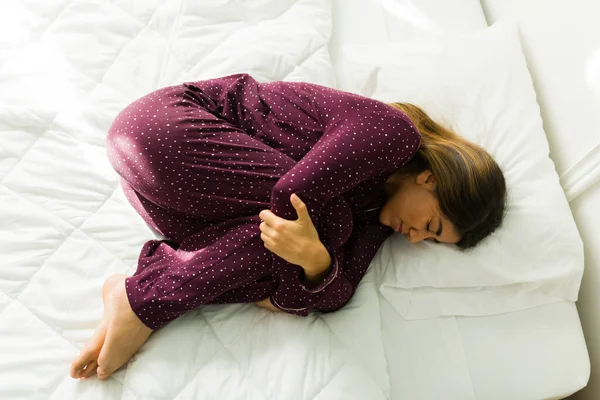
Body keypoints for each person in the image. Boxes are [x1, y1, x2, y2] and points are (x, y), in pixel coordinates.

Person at [69, 73, 506, 381]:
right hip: (162, 134)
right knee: (325, 225)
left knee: (308, 247)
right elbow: (288, 198)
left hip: (178, 211)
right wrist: (300, 271)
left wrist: (314, 263)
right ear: (430, 179)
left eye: (430, 241)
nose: (415, 238)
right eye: (430, 224)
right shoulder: (393, 134)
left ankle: (153, 276)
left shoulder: (379, 216)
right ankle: (144, 300)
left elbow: (335, 296)